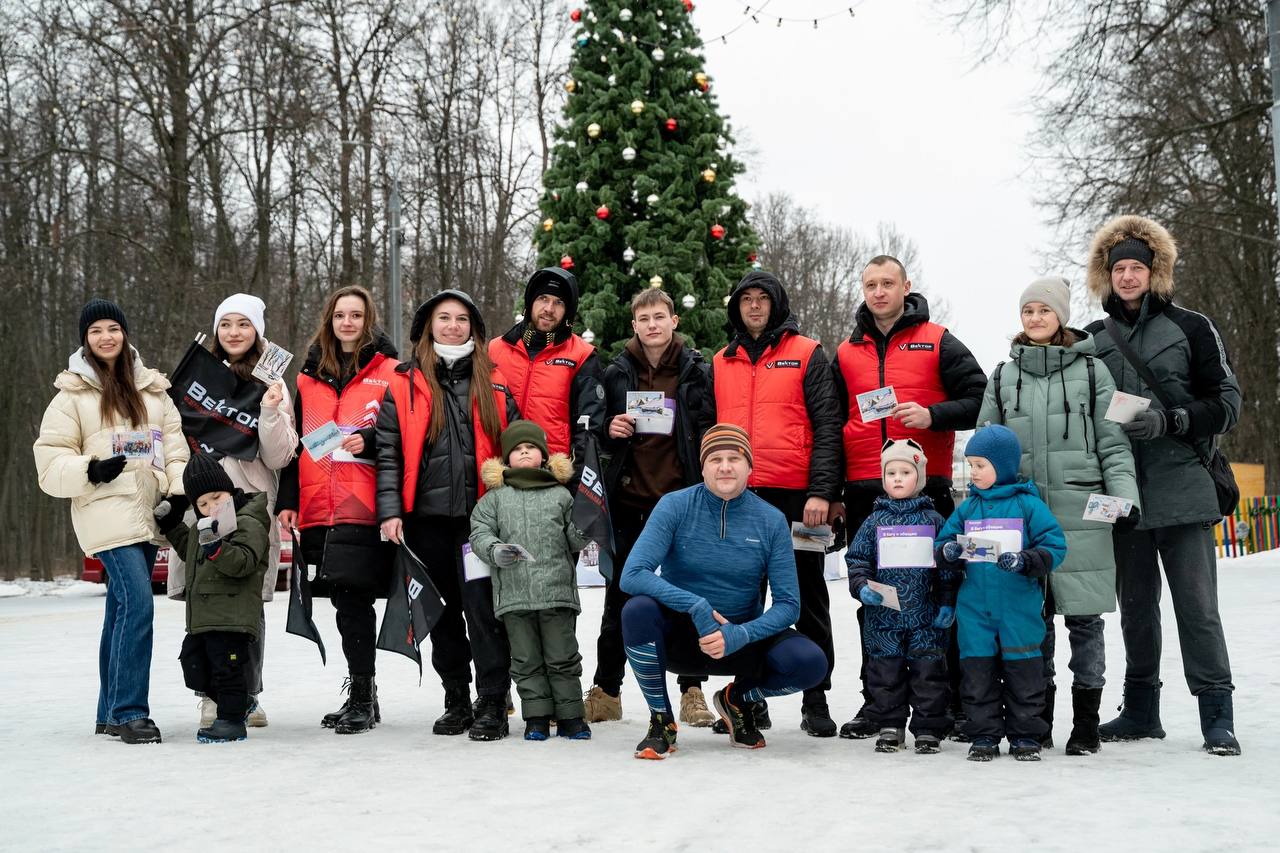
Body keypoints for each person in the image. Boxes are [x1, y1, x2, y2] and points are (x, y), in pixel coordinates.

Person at [1083, 215, 1243, 756]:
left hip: (1183, 487)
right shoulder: (1092, 338)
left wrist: (1170, 420)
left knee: (1197, 606)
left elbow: (1227, 405)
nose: (1128, 277)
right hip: (1120, 496)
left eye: (1138, 267)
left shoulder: (1192, 327)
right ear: (1107, 275)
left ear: (1156, 272)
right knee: (1134, 606)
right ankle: (1142, 712)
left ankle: (1216, 714)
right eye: (1119, 268)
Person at [977, 276, 1139, 756]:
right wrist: (978, 508)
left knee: (1086, 623)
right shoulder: (1004, 375)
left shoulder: (1094, 372)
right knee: (1034, 623)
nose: (1035, 318)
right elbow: (985, 449)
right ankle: (1036, 719)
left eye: (1044, 310)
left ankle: (1086, 722)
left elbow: (1114, 441)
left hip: (1083, 511)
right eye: (1027, 311)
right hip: (1021, 518)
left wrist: (1125, 496)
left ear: (1061, 315)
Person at [831, 254, 987, 740]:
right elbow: (829, 425)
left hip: (928, 488)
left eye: (887, 283)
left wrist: (935, 415)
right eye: (870, 284)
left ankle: (950, 703)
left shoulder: (937, 340)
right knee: (873, 599)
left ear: (906, 286)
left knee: (939, 592)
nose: (878, 292)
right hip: (864, 492)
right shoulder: (845, 351)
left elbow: (982, 397)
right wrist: (833, 490)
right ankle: (878, 703)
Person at [619, 424, 828, 759]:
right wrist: (695, 605)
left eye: (735, 458)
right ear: (702, 467)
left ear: (749, 466)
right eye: (715, 459)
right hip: (682, 639)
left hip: (741, 641)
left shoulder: (771, 520)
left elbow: (789, 605)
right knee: (637, 610)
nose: (725, 466)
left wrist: (740, 634)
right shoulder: (674, 506)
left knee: (811, 663)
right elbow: (632, 575)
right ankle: (661, 720)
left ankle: (738, 700)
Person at [34, 298, 190, 744]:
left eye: (113, 329)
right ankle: (129, 711)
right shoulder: (71, 397)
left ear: (125, 334)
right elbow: (49, 463)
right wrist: (90, 469)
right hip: (105, 516)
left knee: (121, 611)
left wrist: (177, 493)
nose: (106, 337)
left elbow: (175, 449)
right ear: (84, 340)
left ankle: (108, 711)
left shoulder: (153, 391)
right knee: (138, 604)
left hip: (146, 514)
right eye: (96, 330)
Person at [376, 289, 520, 741]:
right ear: (429, 326)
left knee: (483, 613)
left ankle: (493, 700)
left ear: (473, 329)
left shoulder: (493, 383)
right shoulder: (403, 382)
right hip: (427, 522)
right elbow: (388, 453)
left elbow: (515, 449)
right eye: (444, 318)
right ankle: (456, 697)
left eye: (461, 319)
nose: (453, 326)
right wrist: (391, 511)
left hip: (478, 523)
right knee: (440, 616)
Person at [711, 270, 843, 737]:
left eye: (761, 298)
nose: (753, 306)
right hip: (739, 497)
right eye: (745, 298)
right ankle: (749, 697)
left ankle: (817, 697)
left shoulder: (806, 353)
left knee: (807, 595)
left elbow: (829, 425)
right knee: (744, 599)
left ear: (776, 303)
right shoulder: (719, 361)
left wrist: (822, 492)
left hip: (797, 499)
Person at [586, 287, 716, 726]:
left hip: (682, 504)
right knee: (618, 598)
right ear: (634, 326)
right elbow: (593, 427)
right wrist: (610, 427)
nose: (652, 325)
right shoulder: (616, 373)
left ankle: (692, 691)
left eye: (659, 317)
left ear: (674, 321)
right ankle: (607, 689)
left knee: (689, 596)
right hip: (629, 501)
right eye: (644, 319)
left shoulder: (698, 371)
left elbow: (710, 425)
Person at [169, 293, 298, 730]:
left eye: (244, 324)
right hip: (200, 505)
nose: (235, 332)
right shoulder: (195, 381)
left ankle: (246, 694)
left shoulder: (273, 385)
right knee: (203, 602)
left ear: (258, 330)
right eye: (227, 324)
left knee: (246, 609)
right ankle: (209, 696)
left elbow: (280, 456)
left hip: (247, 508)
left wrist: (270, 409)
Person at [276, 285, 398, 735]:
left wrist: (369, 440)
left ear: (369, 320)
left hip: (362, 502)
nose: (348, 323)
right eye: (340, 315)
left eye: (356, 315)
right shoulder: (308, 377)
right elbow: (296, 445)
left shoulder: (391, 371)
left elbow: (403, 433)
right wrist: (289, 499)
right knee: (344, 604)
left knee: (354, 599)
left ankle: (363, 696)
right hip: (316, 504)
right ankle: (364, 695)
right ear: (329, 320)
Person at [936, 425, 1067, 761]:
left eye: (981, 465)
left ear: (1004, 465)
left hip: (1018, 607)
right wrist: (948, 551)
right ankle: (983, 735)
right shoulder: (967, 508)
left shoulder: (1028, 506)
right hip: (974, 608)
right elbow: (943, 542)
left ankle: (1025, 736)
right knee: (977, 675)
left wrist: (1025, 560)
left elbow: (1055, 546)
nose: (973, 472)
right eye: (971, 465)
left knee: (1024, 675)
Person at [470, 421, 591, 741]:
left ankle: (571, 716)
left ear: (544, 456)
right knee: (525, 660)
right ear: (506, 459)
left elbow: (573, 539)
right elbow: (479, 533)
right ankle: (536, 717)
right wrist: (494, 550)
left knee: (563, 657)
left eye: (531, 448)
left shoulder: (561, 495)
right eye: (517, 449)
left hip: (556, 591)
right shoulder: (494, 499)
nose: (524, 452)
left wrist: (585, 526)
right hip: (515, 594)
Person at [845, 439, 955, 754]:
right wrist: (862, 586)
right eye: (890, 472)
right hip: (884, 617)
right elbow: (858, 560)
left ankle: (928, 728)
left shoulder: (934, 520)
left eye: (905, 471)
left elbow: (947, 564)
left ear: (918, 477)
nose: (896, 478)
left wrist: (947, 600)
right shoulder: (873, 521)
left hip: (925, 615)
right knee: (885, 674)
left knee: (929, 674)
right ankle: (890, 725)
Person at [157, 453, 269, 743]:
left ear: (229, 491)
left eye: (216, 497)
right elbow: (190, 550)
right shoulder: (202, 527)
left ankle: (231, 722)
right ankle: (240, 704)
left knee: (227, 670)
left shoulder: (248, 521)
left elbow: (244, 561)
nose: (211, 507)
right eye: (202, 504)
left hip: (232, 615)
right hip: (205, 617)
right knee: (193, 663)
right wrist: (172, 525)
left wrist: (218, 548)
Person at [489, 267, 605, 475]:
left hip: (552, 477)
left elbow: (589, 431)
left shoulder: (582, 356)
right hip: (500, 473)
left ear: (567, 311)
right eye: (543, 298)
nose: (549, 308)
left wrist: (575, 482)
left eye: (558, 302)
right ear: (530, 302)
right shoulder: (495, 349)